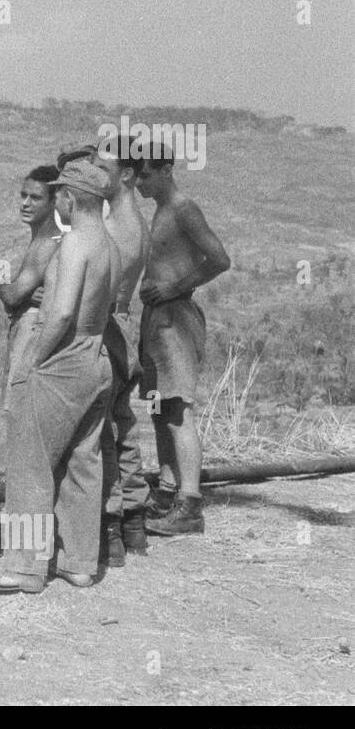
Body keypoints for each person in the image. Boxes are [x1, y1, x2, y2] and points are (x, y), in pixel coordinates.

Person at [0, 160, 119, 594]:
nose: (55, 198)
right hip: (98, 355)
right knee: (83, 459)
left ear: (71, 197)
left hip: (66, 356)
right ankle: (79, 562)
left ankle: (24, 568)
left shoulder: (75, 243)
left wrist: (33, 361)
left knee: (29, 462)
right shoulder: (109, 245)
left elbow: (59, 312)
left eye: (58, 192)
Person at [135, 140, 231, 536]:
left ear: (164, 170)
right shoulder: (160, 212)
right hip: (157, 320)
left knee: (178, 410)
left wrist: (176, 288)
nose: (138, 181)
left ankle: (190, 505)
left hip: (176, 318)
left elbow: (220, 259)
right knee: (160, 409)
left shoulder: (182, 209)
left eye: (144, 173)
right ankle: (168, 489)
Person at [91, 141, 152, 563]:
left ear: (127, 175)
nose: (97, 176)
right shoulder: (135, 221)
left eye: (104, 169)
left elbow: (100, 289)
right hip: (122, 328)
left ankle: (110, 526)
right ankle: (133, 524)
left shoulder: (117, 227)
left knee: (104, 432)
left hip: (107, 327)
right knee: (124, 427)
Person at [0, 166, 61, 413]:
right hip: (27, 324)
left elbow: (11, 295)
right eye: (23, 195)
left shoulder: (47, 242)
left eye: (35, 198)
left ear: (54, 201)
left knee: (18, 408)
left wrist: (4, 283)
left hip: (31, 330)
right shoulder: (39, 238)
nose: (25, 203)